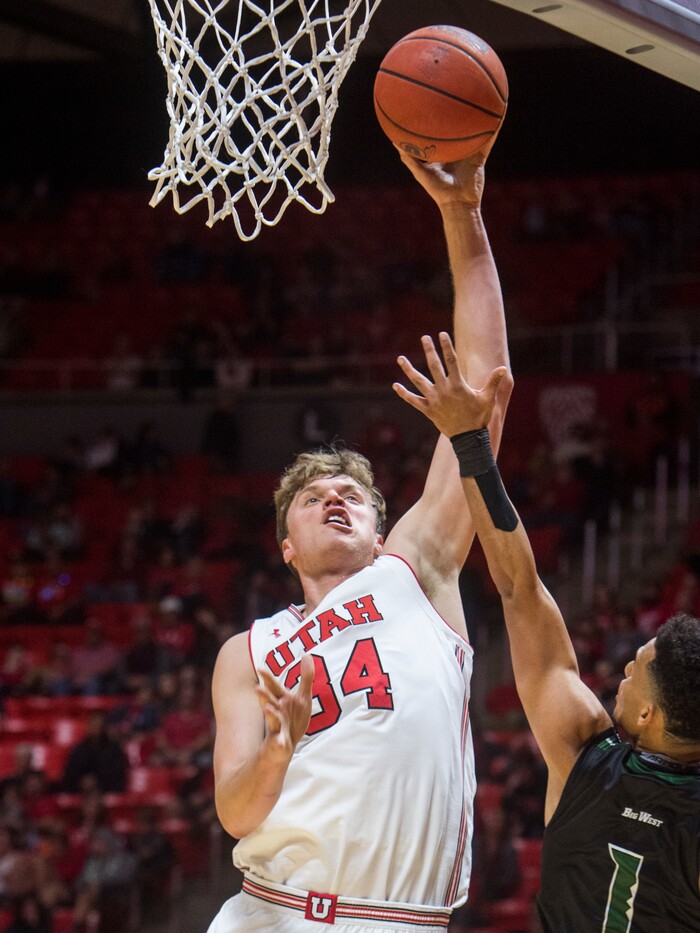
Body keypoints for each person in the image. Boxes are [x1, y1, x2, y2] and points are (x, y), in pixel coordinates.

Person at [207, 141, 512, 933]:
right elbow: (237, 813)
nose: (335, 500)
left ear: (382, 530)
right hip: (264, 913)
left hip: (395, 919)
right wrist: (280, 744)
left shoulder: (418, 573)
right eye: (312, 498)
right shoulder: (251, 650)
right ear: (286, 544)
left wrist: (463, 214)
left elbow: (487, 390)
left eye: (353, 495)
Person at [393, 331, 700, 932]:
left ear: (647, 717)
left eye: (638, 667)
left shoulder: (587, 754)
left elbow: (518, 587)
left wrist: (470, 446)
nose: (626, 670)